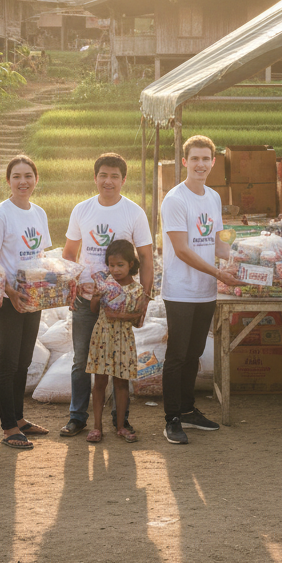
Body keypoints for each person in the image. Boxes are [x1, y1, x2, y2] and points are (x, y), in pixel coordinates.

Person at [61, 153, 154, 438]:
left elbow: (146, 258)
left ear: (123, 180)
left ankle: (120, 420)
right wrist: (73, 287)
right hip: (87, 298)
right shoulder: (82, 210)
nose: (108, 181)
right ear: (95, 177)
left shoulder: (134, 212)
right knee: (81, 360)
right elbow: (69, 253)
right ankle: (78, 417)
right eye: (103, 175)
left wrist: (144, 299)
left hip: (121, 303)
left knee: (119, 362)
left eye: (115, 176)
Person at [159, 135, 240, 445]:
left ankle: (187, 409)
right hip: (180, 290)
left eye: (206, 159)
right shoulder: (175, 199)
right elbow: (181, 249)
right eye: (195, 158)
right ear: (185, 162)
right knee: (177, 355)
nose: (200, 164)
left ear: (213, 162)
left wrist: (243, 258)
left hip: (206, 290)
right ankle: (172, 418)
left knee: (193, 354)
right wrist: (219, 272)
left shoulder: (213, 197)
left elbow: (217, 244)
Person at [0, 155, 52, 450]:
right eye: (16, 176)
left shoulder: (39, 213)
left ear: (36, 179)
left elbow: (41, 257)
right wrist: (10, 291)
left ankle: (20, 419)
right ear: (8, 181)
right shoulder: (0, 215)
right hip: (9, 299)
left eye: (28, 176)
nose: (23, 182)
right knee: (9, 361)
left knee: (24, 359)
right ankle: (8, 427)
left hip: (33, 296)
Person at [85, 239, 147, 444]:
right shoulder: (104, 284)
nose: (115, 270)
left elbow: (138, 320)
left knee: (121, 383)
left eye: (120, 265)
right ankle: (96, 427)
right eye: (111, 265)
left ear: (131, 264)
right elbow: (94, 309)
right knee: (100, 382)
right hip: (102, 337)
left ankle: (121, 426)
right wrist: (96, 297)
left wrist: (120, 316)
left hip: (124, 339)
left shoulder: (137, 290)